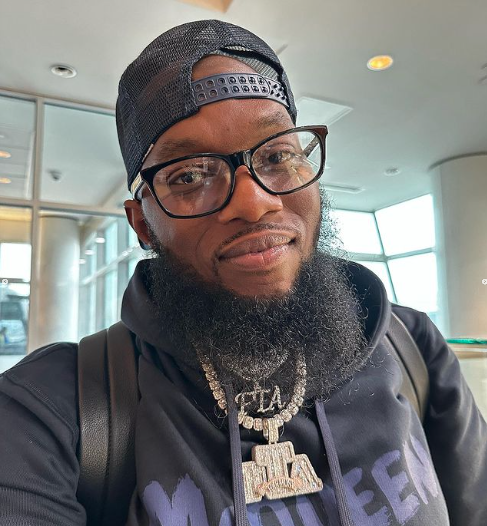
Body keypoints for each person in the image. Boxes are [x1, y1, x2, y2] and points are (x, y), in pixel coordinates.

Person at [0, 19, 486, 526]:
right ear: (142, 223)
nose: (254, 203)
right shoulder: (52, 408)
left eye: (277, 155)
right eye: (189, 175)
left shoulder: (412, 347)